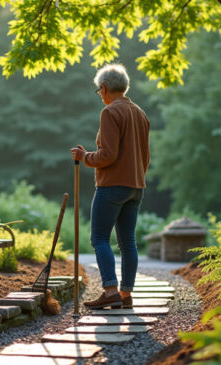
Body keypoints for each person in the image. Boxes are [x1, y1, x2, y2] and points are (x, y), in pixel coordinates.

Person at [70, 63, 150, 309]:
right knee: (128, 242)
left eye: (98, 91)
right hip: (136, 187)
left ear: (104, 88)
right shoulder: (140, 113)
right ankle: (126, 295)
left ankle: (110, 290)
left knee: (99, 238)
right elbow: (145, 156)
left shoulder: (110, 112)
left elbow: (108, 156)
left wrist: (85, 157)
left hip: (112, 186)